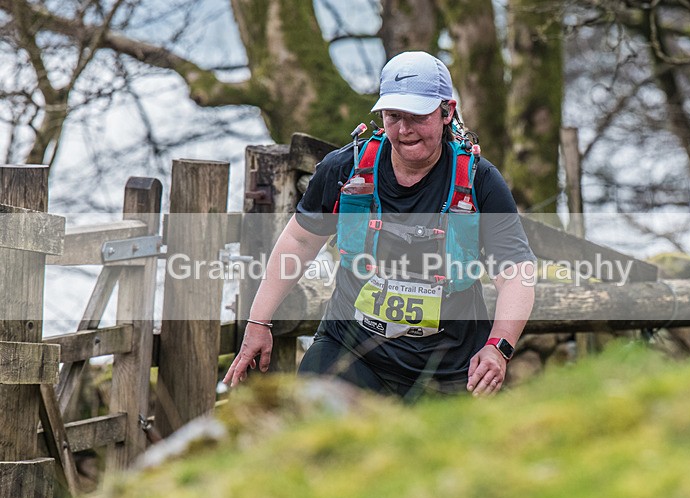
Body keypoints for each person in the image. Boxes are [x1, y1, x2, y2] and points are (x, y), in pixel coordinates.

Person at [223, 51, 535, 400]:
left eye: (417, 116)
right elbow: (299, 241)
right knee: (312, 429)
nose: (404, 130)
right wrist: (258, 321)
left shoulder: (481, 181)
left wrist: (498, 347)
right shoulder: (344, 169)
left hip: (449, 365)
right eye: (393, 116)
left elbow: (515, 271)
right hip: (350, 352)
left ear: (447, 112)